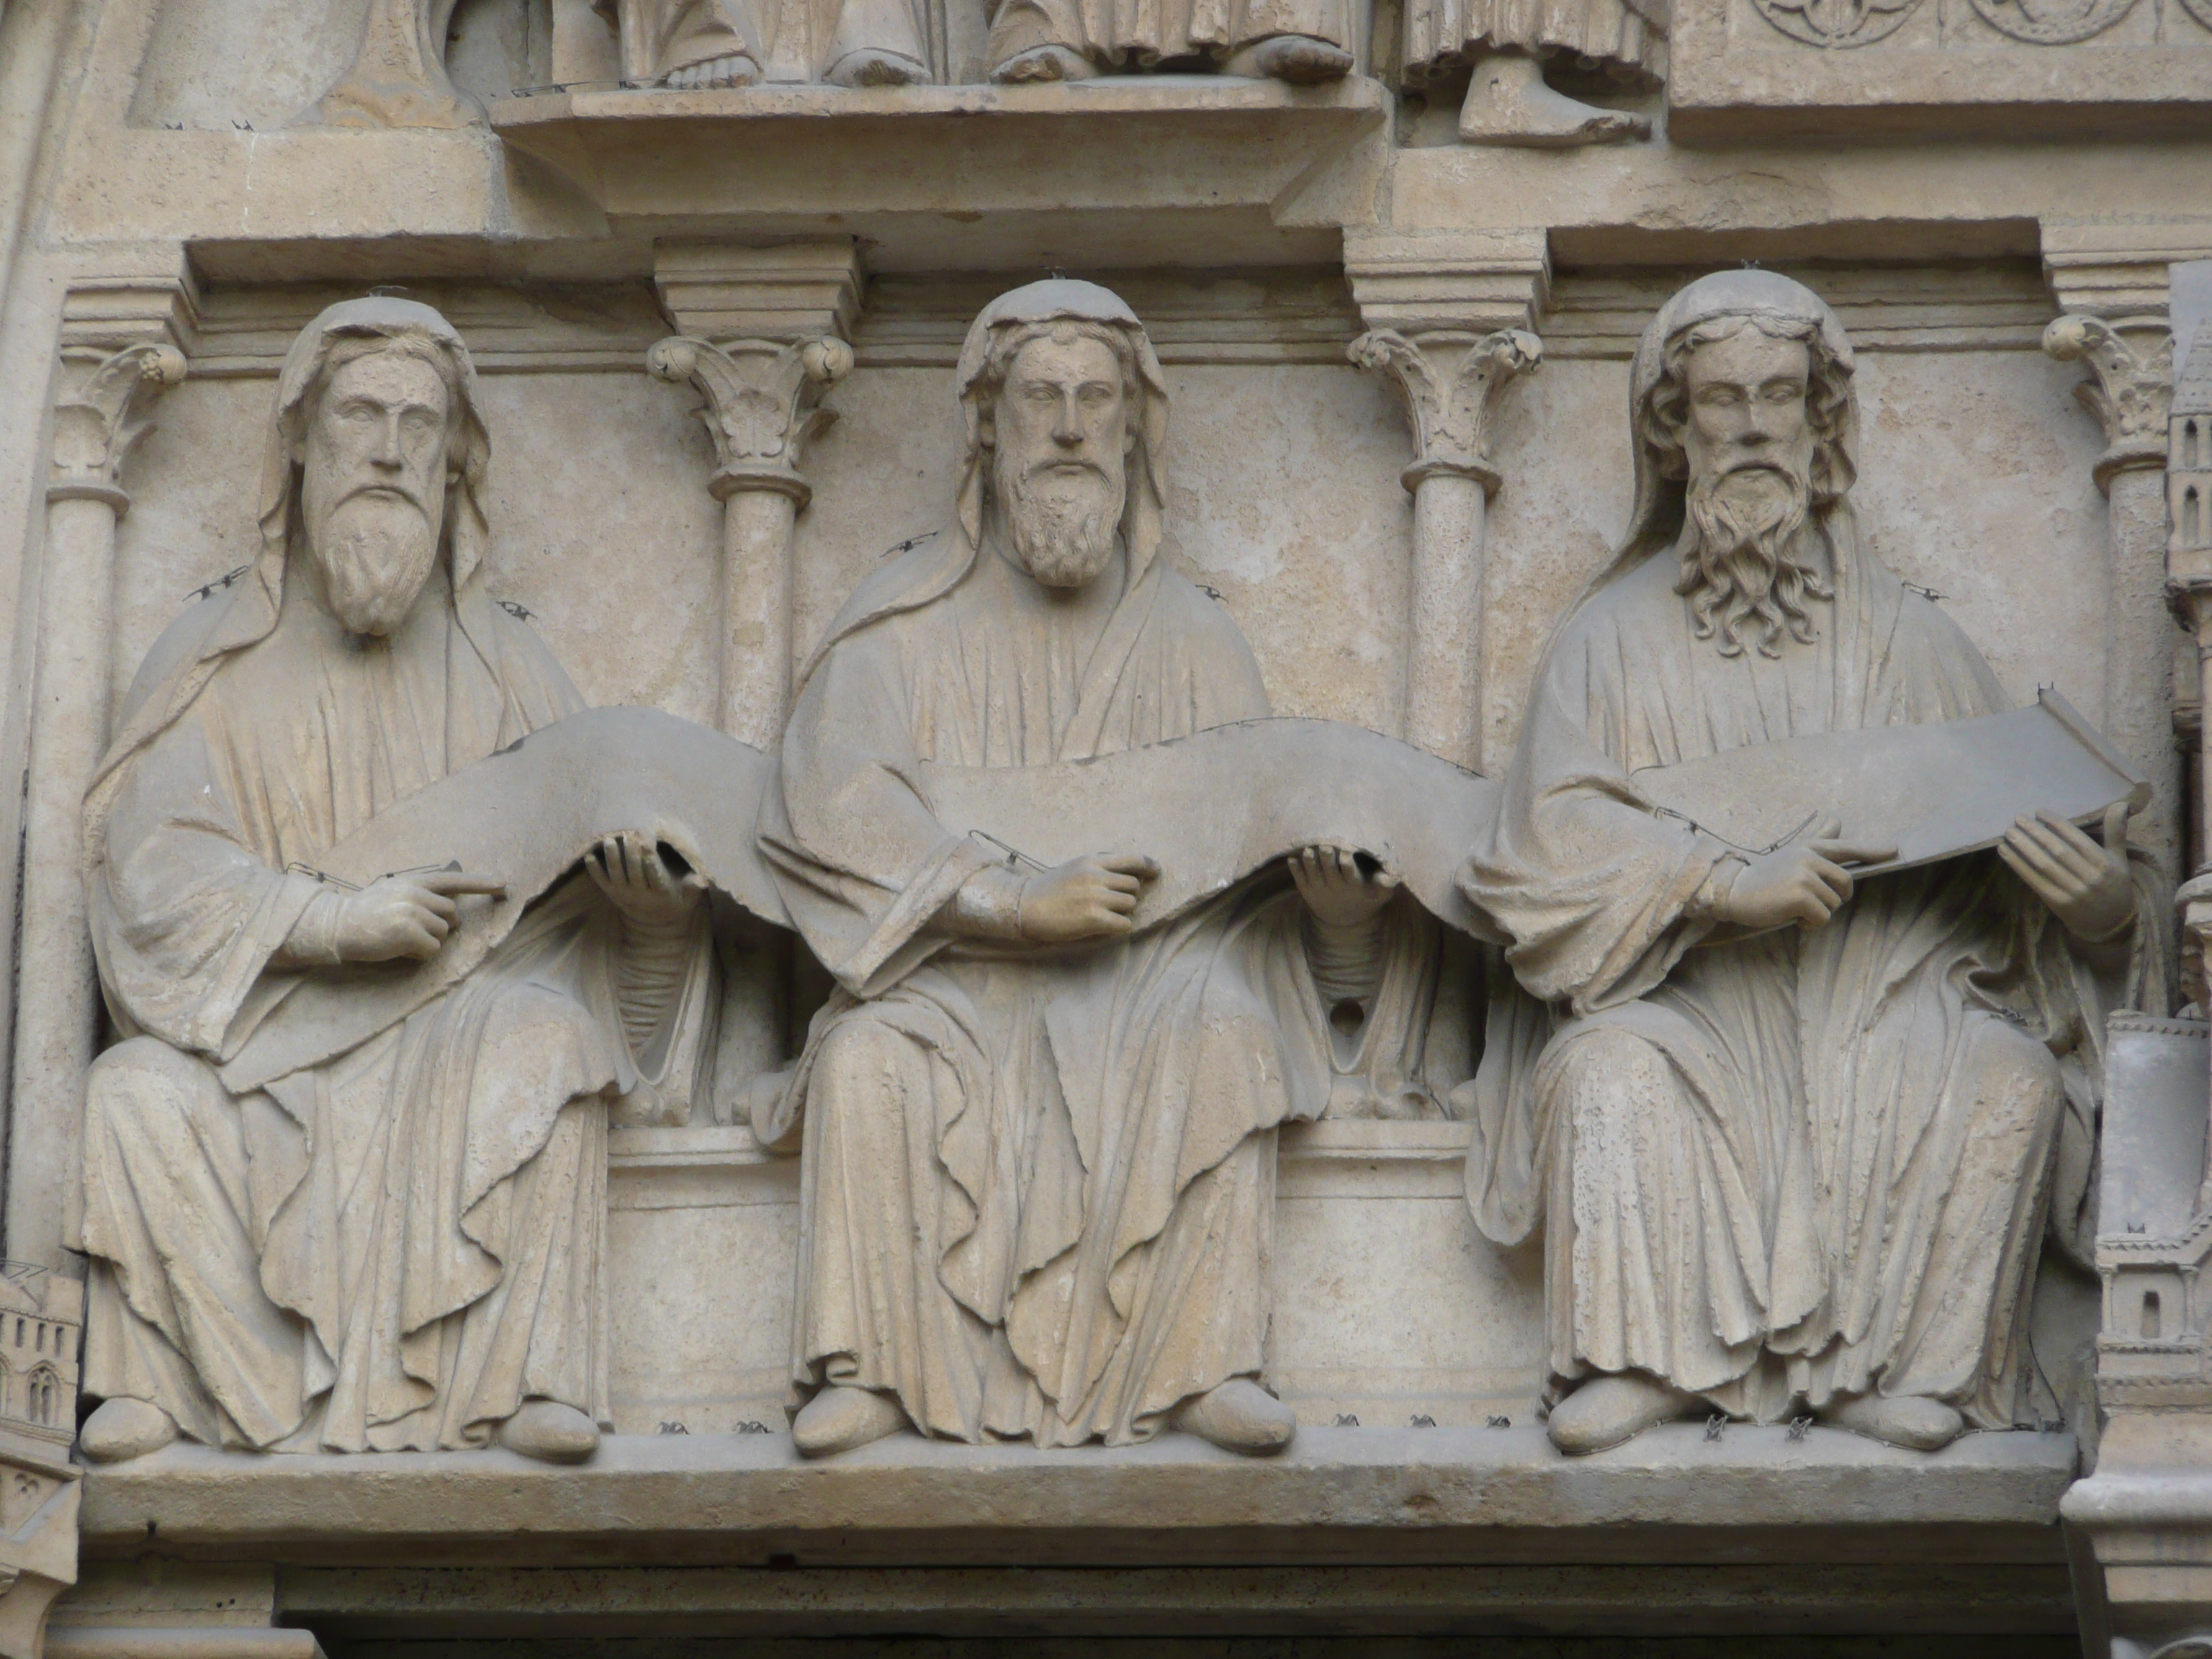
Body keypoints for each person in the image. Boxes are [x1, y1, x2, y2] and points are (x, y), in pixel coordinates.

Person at [1462, 270, 2169, 1455]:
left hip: (1885, 1012)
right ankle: (1645, 1357)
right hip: (1693, 1015)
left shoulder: (1914, 640)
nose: (1750, 425)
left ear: (1819, 422)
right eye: (1720, 399)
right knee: (1606, 1077)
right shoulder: (1608, 642)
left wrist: (2100, 908)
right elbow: (1544, 851)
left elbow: (2037, 841)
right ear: (1674, 430)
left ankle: (1903, 1365)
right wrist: (1719, 887)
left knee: (2010, 1082)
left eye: (1778, 396)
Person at [760, 280, 1422, 1457]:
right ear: (987, 426)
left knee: (1224, 1026)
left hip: (1145, 993)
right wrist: (1011, 906)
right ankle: (878, 1362)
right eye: (1040, 398)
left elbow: (1238, 881)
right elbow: (828, 819)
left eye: (1096, 400)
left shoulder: (1196, 642)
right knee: (866, 1059)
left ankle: (1199, 1360)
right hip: (955, 985)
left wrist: (1335, 920)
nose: (1068, 428)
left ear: (1131, 430)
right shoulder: (899, 627)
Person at [76, 298, 716, 1465]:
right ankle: (166, 1381)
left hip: (449, 1053)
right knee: (129, 1093)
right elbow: (147, 878)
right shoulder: (214, 653)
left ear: (455, 463)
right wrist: (331, 921)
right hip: (263, 1061)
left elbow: (577, 902)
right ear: (305, 444)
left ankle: (524, 1375)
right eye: (361, 415)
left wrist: (652, 924)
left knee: (546, 1042)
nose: (386, 450)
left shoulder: (508, 662)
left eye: (419, 427)